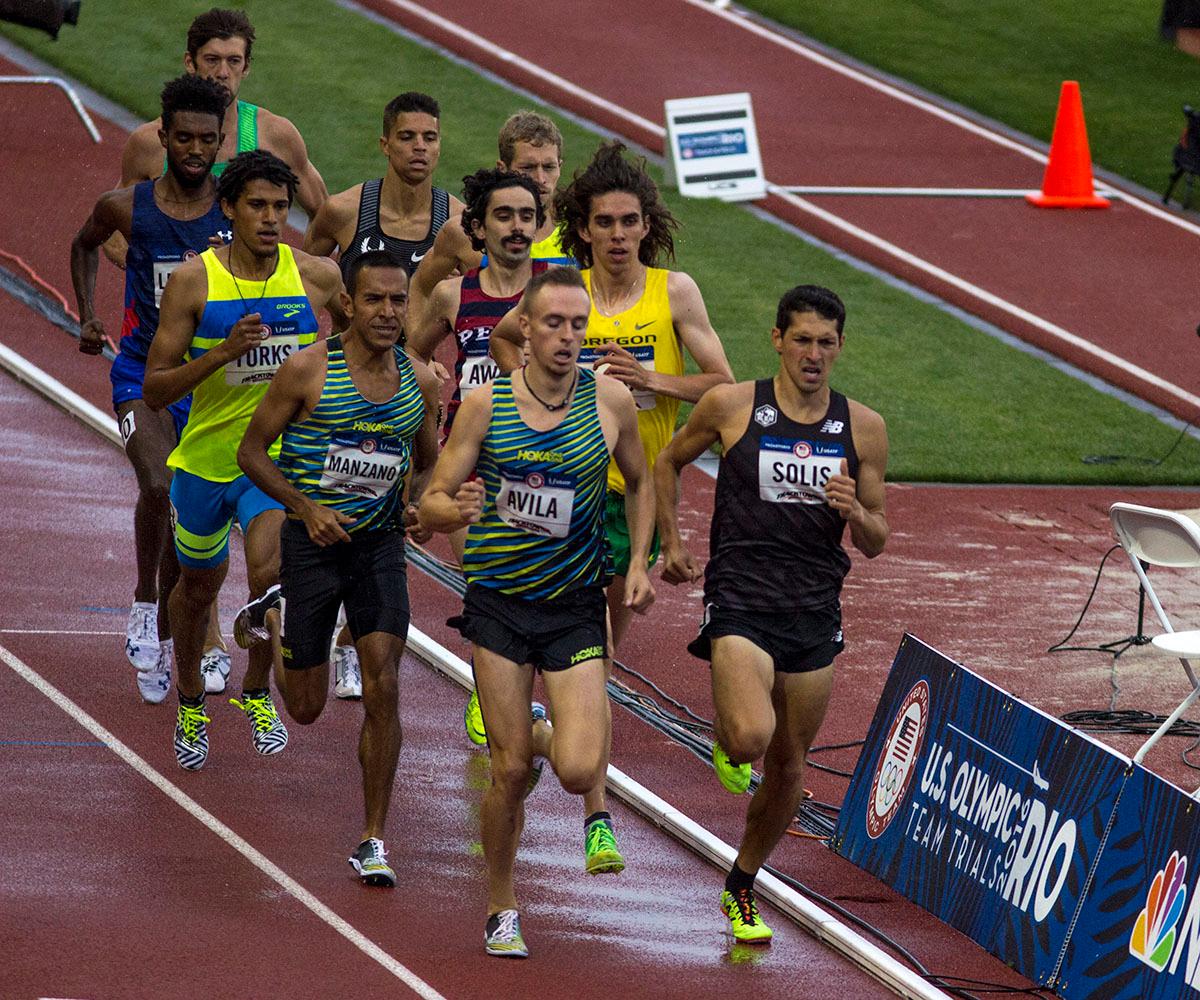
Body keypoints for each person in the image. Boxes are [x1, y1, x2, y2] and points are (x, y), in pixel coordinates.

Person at [489, 141, 734, 866]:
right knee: (584, 644)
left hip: (640, 497)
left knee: (597, 655)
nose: (619, 234)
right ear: (583, 228)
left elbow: (721, 385)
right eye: (606, 222)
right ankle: (597, 815)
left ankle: (539, 732)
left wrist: (654, 379)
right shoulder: (563, 293)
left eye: (631, 221)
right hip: (567, 493)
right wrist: (537, 403)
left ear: (646, 225)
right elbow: (508, 341)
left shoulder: (675, 292)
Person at [418, 267, 654, 958]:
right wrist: (447, 507)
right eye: (554, 323)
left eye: (579, 325)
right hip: (499, 602)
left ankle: (548, 732)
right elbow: (435, 495)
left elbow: (640, 482)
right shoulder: (486, 406)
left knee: (580, 771)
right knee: (512, 770)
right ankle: (501, 902)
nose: (568, 337)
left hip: (576, 603)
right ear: (523, 325)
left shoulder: (609, 401)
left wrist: (637, 561)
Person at [654, 285, 890, 944]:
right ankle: (729, 735)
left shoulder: (863, 427)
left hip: (814, 609)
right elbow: (667, 461)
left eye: (826, 342)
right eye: (803, 340)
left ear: (839, 348)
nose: (813, 354)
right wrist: (671, 543)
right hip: (740, 597)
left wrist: (856, 512)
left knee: (790, 766)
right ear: (778, 339)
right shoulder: (732, 406)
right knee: (752, 738)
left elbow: (876, 539)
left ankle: (743, 882)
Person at [237, 250, 439, 886]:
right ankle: (275, 614)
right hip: (310, 545)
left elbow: (427, 460)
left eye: (398, 300)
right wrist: (304, 506)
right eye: (375, 300)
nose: (388, 313)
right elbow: (251, 452)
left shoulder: (421, 382)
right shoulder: (306, 370)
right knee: (304, 709)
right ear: (347, 304)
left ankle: (374, 836)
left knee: (383, 684)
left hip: (378, 549)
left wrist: (417, 505)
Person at [144, 150, 343, 770]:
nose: (270, 218)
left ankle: (256, 690)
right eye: (257, 205)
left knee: (270, 576)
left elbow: (350, 346)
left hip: (279, 458)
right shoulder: (194, 282)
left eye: (281, 207)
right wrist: (222, 353)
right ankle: (190, 697)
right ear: (229, 208)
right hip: (206, 459)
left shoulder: (315, 278)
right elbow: (155, 389)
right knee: (196, 589)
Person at [70, 74, 233, 703]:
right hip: (141, 373)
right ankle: (143, 602)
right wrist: (87, 313)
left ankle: (167, 638)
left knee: (189, 516)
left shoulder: (233, 210)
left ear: (221, 142)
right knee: (158, 483)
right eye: (183, 138)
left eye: (207, 139)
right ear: (162, 137)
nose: (195, 149)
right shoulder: (126, 207)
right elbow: (83, 245)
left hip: (211, 385)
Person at [117, 7, 327, 249]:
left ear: (246, 67)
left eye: (234, 61)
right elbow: (111, 222)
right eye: (212, 60)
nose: (223, 73)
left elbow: (325, 216)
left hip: (249, 286)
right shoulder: (149, 142)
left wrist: (296, 274)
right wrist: (151, 270)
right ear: (190, 62)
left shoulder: (276, 136)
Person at [408, 167, 548, 524]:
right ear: (479, 228)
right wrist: (427, 397)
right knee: (483, 574)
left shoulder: (559, 290)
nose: (517, 226)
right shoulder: (452, 295)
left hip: (542, 456)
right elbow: (411, 355)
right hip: (468, 457)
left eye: (526, 216)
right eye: (504, 216)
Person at [406, 111, 572, 335]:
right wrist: (420, 358)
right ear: (502, 168)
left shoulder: (578, 231)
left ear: (560, 166)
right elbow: (420, 287)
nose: (541, 179)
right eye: (528, 168)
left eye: (549, 167)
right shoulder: (463, 234)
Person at [304, 91, 463, 283]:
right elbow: (297, 284)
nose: (420, 146)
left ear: (439, 146)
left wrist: (458, 289)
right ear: (385, 145)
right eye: (407, 137)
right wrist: (339, 302)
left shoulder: (459, 223)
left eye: (430, 138)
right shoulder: (342, 211)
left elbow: (489, 299)